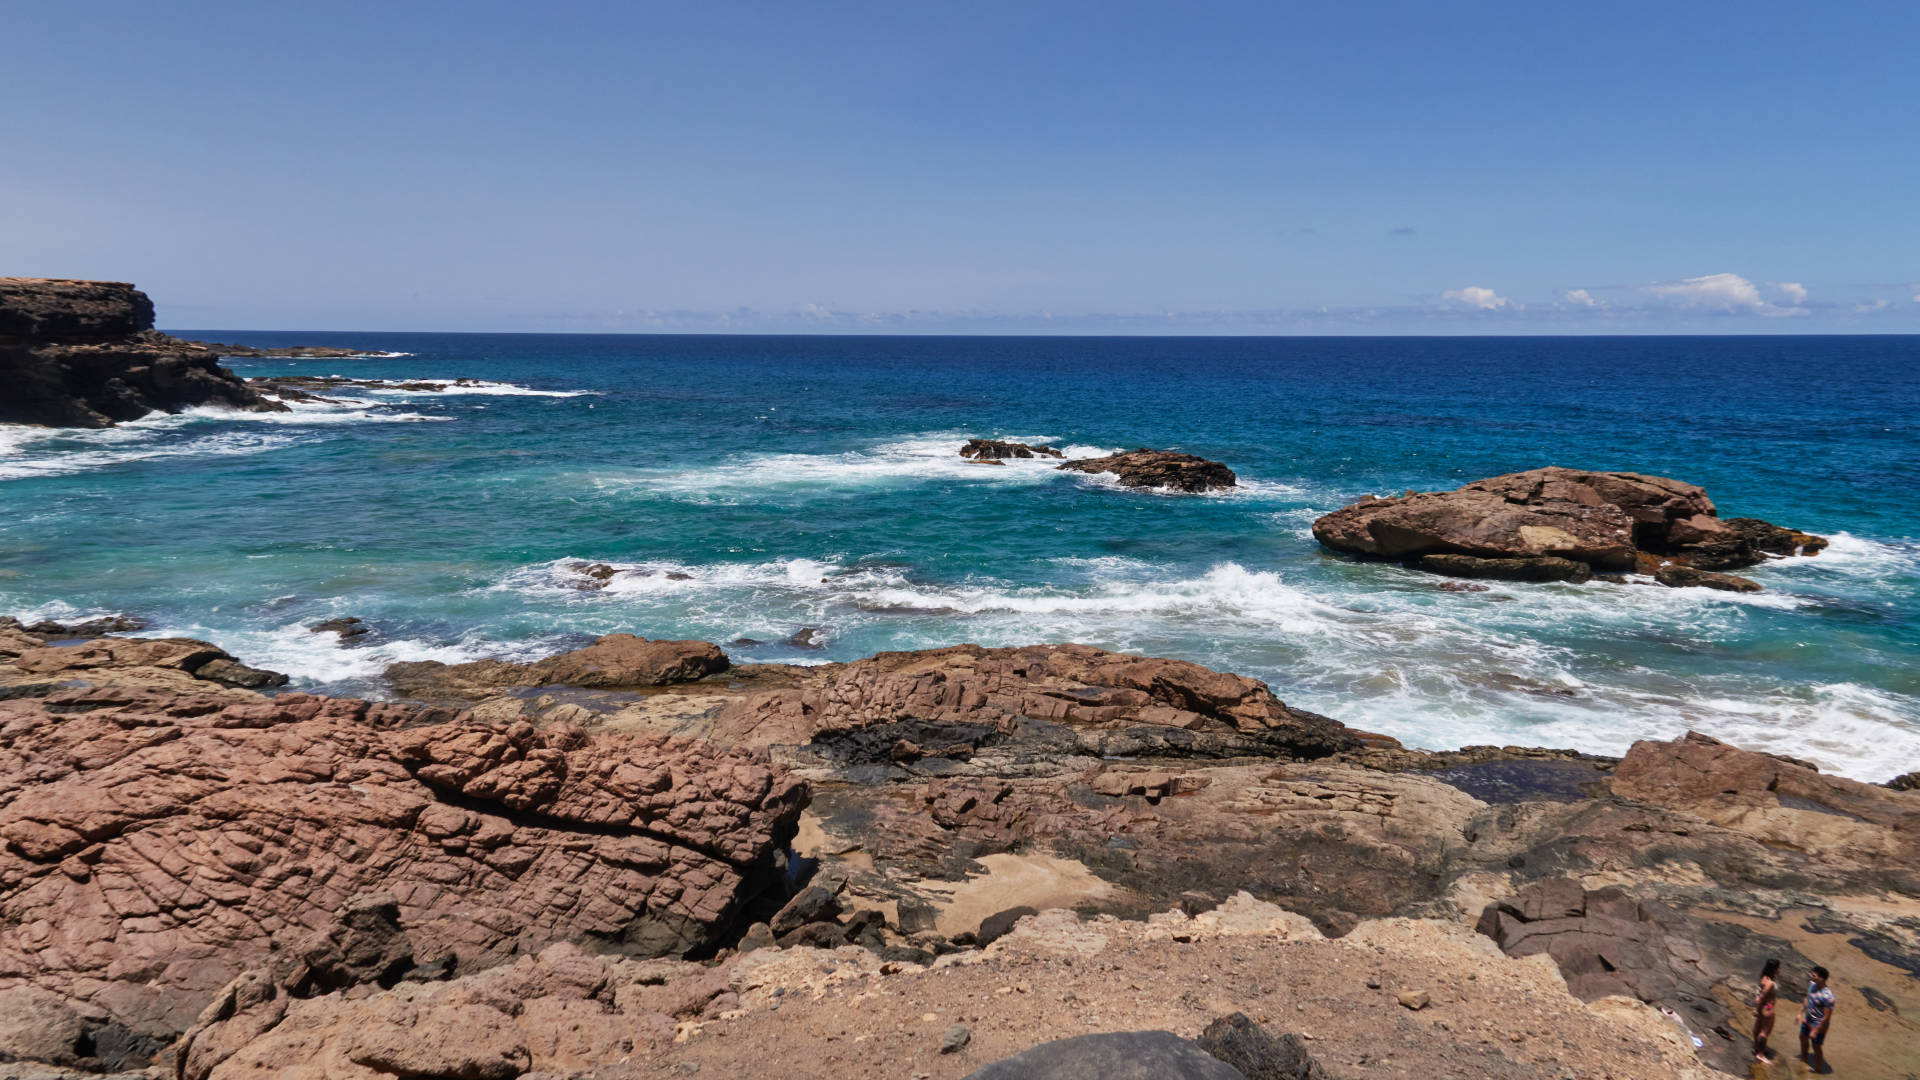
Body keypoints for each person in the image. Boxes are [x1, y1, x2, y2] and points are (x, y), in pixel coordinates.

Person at [1798, 965, 1836, 1072]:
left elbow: (1826, 1017)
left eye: (1814, 975)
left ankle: (1818, 1069)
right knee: (1802, 1037)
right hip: (1808, 1019)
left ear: (1822, 979)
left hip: (1819, 1024)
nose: (1811, 976)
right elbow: (1807, 998)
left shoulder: (1828, 997)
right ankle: (1803, 1058)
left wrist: (1816, 1030)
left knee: (1816, 1046)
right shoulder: (1812, 985)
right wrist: (1800, 1012)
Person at [1752, 958, 1780, 1061]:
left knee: (1757, 1027)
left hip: (1762, 1007)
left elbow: (1758, 993)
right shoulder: (1770, 983)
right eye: (1779, 967)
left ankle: (1756, 1046)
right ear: (1775, 969)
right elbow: (1761, 997)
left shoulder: (1763, 977)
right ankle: (1760, 1054)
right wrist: (1757, 1009)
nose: (1780, 969)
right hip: (1767, 1007)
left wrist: (1757, 1009)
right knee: (1765, 1032)